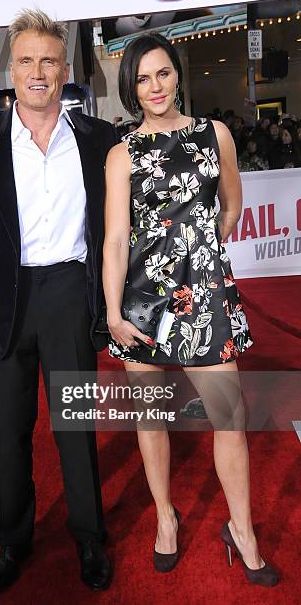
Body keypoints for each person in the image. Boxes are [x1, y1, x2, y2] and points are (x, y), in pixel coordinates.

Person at [0, 8, 116, 593]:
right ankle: (12, 545)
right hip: (2, 302)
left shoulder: (99, 140)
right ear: (11, 70)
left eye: (48, 60)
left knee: (76, 426)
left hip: (71, 294)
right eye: (26, 61)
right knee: (8, 433)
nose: (38, 71)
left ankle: (89, 538)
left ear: (65, 69)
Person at [102, 33, 278, 587]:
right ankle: (165, 518)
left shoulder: (215, 134)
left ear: (178, 74)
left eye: (162, 73)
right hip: (140, 306)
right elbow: (113, 240)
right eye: (142, 79)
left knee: (230, 417)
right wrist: (113, 312)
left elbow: (231, 208)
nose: (154, 87)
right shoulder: (121, 152)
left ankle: (242, 529)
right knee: (150, 419)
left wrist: (198, 260)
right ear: (132, 88)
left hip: (203, 300)